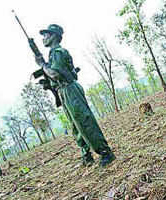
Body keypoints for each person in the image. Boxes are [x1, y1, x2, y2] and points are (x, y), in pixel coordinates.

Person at [35, 24, 115, 167]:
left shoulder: (58, 52)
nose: (43, 38)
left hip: (70, 89)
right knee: (75, 124)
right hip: (63, 91)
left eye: (46, 35)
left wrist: (42, 65)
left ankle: (105, 152)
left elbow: (55, 73)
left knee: (85, 121)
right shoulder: (53, 54)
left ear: (54, 36)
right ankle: (86, 155)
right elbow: (53, 76)